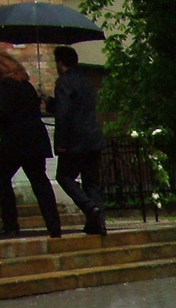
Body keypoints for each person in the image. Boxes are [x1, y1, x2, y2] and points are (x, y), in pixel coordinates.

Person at [0, 51, 61, 238]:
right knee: (40, 181)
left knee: (0, 177)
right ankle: (54, 224)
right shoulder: (26, 85)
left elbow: (2, 113)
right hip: (35, 139)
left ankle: (10, 224)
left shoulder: (5, 85)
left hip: (15, 141)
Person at [46, 46, 106, 234]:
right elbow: (77, 107)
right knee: (91, 182)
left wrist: (61, 142)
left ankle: (89, 207)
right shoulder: (85, 81)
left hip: (74, 140)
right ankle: (98, 222)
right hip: (93, 138)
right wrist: (50, 104)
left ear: (60, 62)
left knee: (64, 177)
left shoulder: (63, 82)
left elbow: (64, 113)